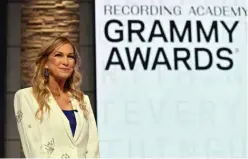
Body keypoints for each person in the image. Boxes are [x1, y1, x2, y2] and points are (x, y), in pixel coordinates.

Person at [14, 36, 99, 158]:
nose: (65, 61)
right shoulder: (26, 97)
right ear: (45, 63)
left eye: (70, 56)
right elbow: (33, 149)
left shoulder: (82, 100)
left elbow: (93, 148)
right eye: (58, 55)